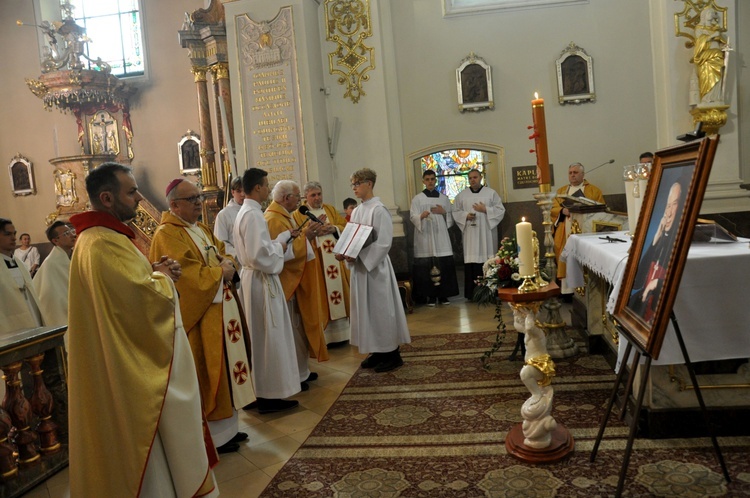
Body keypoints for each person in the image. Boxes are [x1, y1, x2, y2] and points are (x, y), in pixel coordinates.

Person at [67, 162, 217, 497]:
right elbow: (140, 303)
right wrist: (164, 277)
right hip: (128, 369)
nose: (138, 198)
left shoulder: (101, 238)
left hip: (121, 358)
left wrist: (154, 270)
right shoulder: (102, 242)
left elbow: (127, 291)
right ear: (107, 198)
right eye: (131, 192)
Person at [150, 178, 254, 454]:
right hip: (200, 319)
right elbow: (185, 278)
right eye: (192, 199)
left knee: (228, 365)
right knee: (209, 373)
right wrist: (221, 272)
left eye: (198, 197)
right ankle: (215, 437)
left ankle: (229, 428)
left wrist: (228, 263)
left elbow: (222, 251)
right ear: (174, 205)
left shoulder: (200, 227)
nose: (199, 202)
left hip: (221, 309)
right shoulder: (167, 234)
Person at [233, 168, 302, 414]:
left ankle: (264, 391)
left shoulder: (247, 212)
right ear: (258, 188)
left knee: (262, 337)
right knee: (268, 338)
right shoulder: (252, 216)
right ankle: (269, 395)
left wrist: (278, 240)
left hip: (254, 279)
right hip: (262, 279)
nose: (268, 189)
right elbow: (259, 256)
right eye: (266, 185)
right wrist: (281, 245)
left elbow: (257, 250)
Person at [336, 168, 411, 372]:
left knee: (381, 311)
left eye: (357, 184)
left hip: (376, 269)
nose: (354, 188)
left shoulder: (379, 209)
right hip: (361, 268)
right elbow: (353, 237)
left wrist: (360, 256)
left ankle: (392, 354)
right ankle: (377, 351)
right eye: (352, 185)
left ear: (369, 184)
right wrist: (345, 252)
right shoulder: (359, 210)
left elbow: (384, 242)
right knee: (366, 311)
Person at [265, 180, 327, 388]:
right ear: (286, 198)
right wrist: (306, 237)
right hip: (288, 282)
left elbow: (292, 242)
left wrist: (305, 236)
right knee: (293, 329)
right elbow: (280, 252)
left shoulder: (284, 216)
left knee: (298, 330)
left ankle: (302, 370)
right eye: (298, 196)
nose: (300, 200)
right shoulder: (274, 219)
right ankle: (297, 374)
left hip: (296, 279)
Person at [293, 181, 352, 346]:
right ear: (306, 197)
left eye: (319, 194)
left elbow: (344, 225)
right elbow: (296, 236)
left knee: (339, 293)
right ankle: (326, 337)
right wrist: (312, 232)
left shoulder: (330, 209)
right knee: (321, 295)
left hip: (335, 260)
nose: (317, 198)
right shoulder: (299, 214)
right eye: (313, 195)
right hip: (316, 263)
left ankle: (342, 335)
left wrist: (334, 229)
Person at [629, 182, 684, 324]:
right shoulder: (662, 241)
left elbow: (683, 285)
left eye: (675, 204)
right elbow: (637, 281)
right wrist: (655, 239)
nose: (669, 212)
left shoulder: (679, 242)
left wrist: (657, 284)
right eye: (668, 205)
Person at [453, 168, 505, 299]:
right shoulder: (462, 195)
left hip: (486, 232)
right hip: (470, 234)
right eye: (470, 178)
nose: (472, 180)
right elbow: (455, 211)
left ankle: (490, 292)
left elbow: (500, 210)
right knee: (472, 261)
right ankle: (472, 294)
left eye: (475, 177)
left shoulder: (491, 193)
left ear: (481, 178)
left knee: (487, 260)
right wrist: (465, 215)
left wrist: (485, 209)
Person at [551, 163, 604, 290]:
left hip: (585, 230)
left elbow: (601, 209)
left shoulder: (594, 190)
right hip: (566, 228)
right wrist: (562, 211)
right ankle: (567, 291)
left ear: (583, 174)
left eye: (575, 172)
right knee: (567, 257)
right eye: (570, 173)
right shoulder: (561, 191)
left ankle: (587, 288)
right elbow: (553, 208)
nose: (572, 175)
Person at [409, 169, 459, 306]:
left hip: (440, 234)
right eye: (427, 179)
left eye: (432, 179)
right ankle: (430, 296)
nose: (430, 182)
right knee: (426, 264)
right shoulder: (418, 198)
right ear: (423, 181)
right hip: (425, 234)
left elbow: (451, 216)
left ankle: (443, 295)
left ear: (435, 180)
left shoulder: (443, 198)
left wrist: (444, 212)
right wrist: (421, 216)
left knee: (443, 262)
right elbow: (413, 216)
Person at [0, 218, 44, 336]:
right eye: (7, 234)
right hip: (8, 327)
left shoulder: (20, 264)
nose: (14, 238)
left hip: (32, 317)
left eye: (14, 233)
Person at [34, 221, 76, 331]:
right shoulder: (51, 263)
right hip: (62, 313)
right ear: (55, 240)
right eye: (66, 233)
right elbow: (49, 297)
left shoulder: (73, 255)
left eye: (71, 231)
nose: (73, 235)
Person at [213, 176, 244, 256]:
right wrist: (239, 255)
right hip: (236, 261)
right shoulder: (223, 215)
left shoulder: (253, 211)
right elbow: (221, 242)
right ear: (232, 192)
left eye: (245, 191)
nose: (242, 194)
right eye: (239, 191)